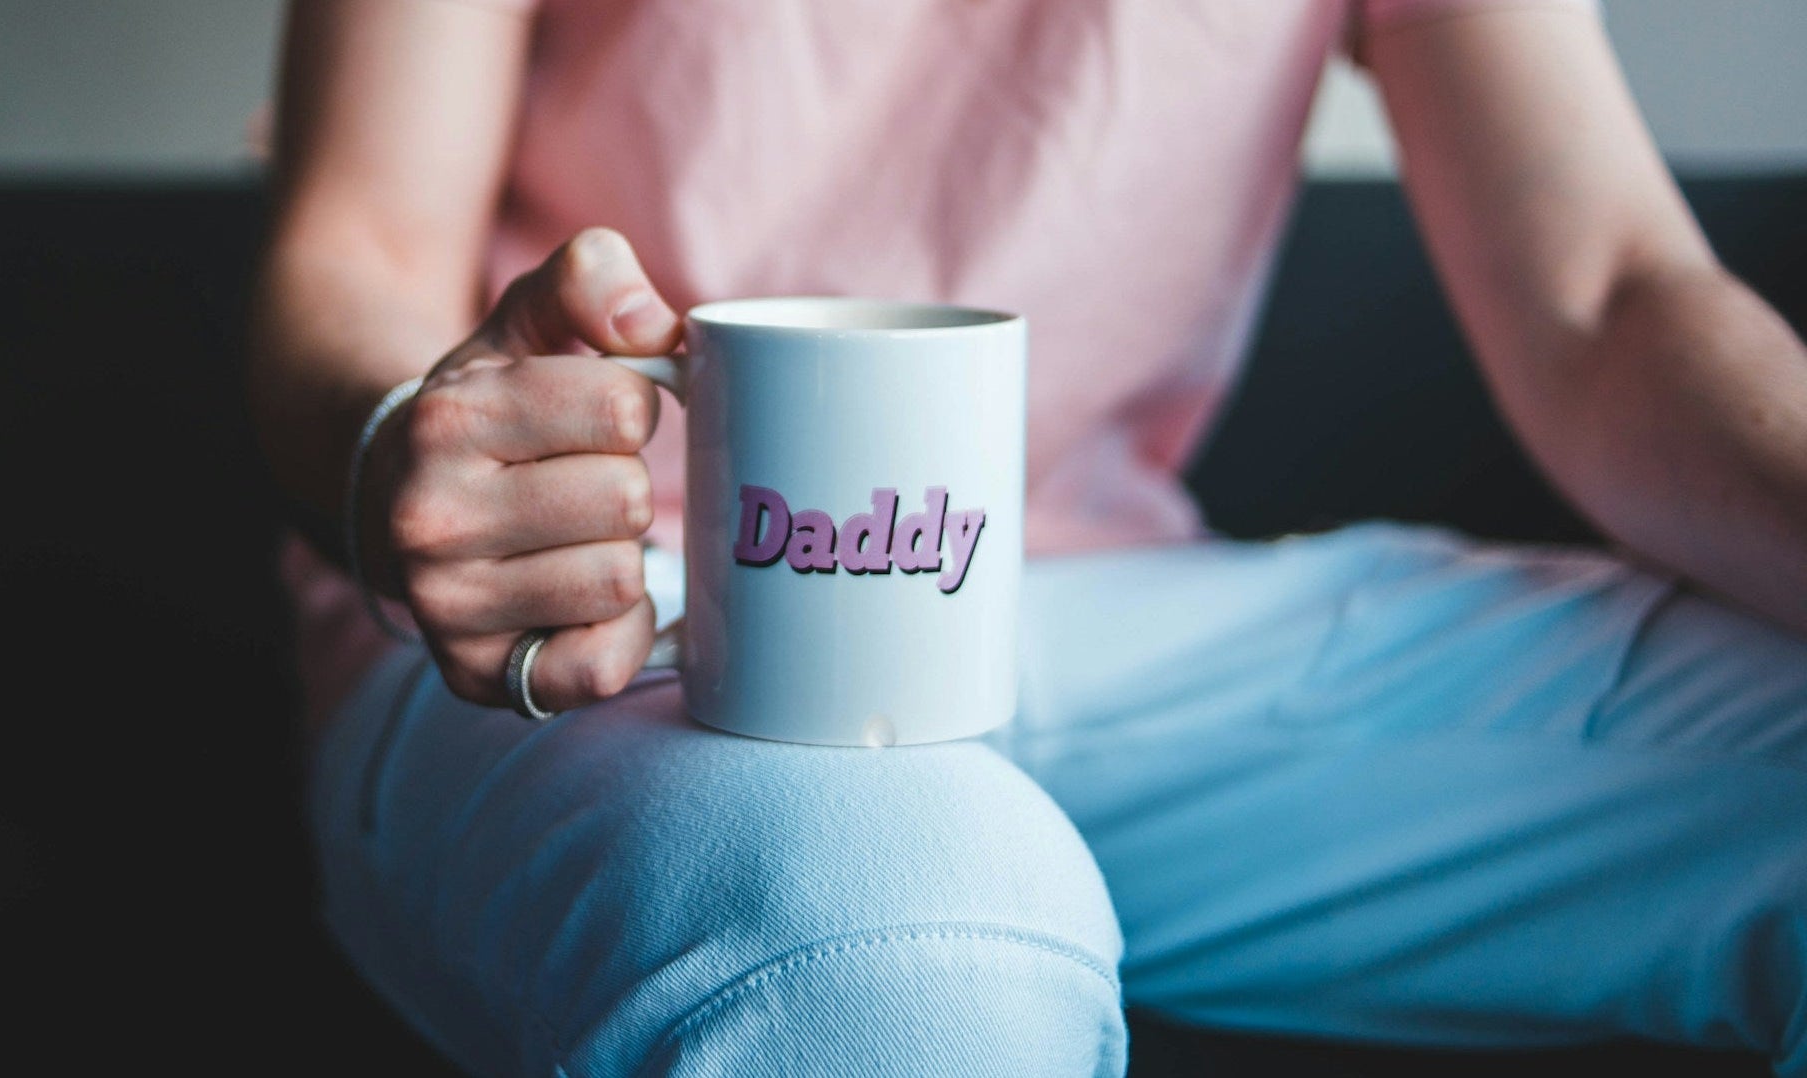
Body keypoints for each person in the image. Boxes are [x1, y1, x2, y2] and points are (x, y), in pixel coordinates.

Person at [248, 0, 1807, 1073]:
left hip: (1126, 607)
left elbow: (1607, 296)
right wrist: (414, 461)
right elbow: (363, 243)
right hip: (596, 618)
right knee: (908, 947)